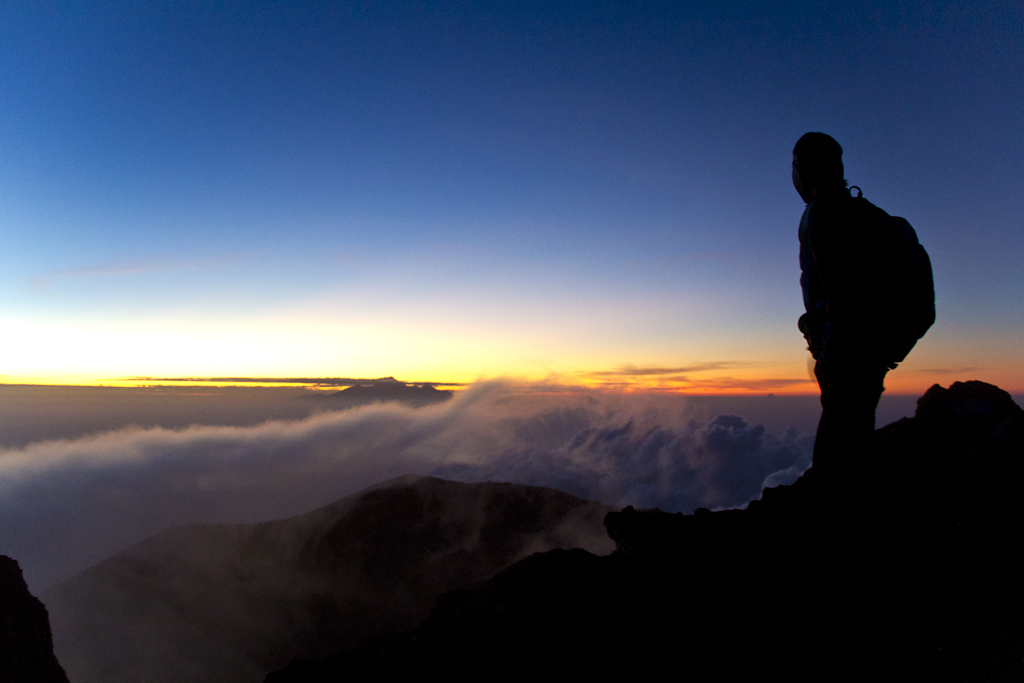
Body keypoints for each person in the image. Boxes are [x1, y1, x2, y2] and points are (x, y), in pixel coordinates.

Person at [793, 132, 922, 492]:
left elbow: (840, 289)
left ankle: (846, 531)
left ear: (802, 172)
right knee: (857, 432)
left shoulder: (822, 214)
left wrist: (821, 333)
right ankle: (864, 512)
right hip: (875, 349)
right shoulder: (863, 214)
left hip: (847, 353)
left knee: (837, 450)